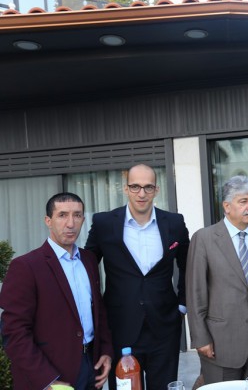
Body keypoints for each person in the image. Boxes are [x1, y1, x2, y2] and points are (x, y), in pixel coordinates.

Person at [85, 164, 190, 390]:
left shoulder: (174, 223)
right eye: (135, 187)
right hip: (120, 326)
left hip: (164, 326)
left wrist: (183, 305)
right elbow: (87, 267)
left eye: (148, 187)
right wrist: (96, 311)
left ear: (156, 190)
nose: (141, 193)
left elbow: (188, 265)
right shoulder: (104, 223)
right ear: (125, 188)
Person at [0, 192, 113, 390]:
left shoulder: (89, 260)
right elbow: (14, 332)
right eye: (62, 215)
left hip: (91, 366)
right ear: (48, 221)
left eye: (77, 215)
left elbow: (98, 311)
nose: (70, 223)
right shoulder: (25, 266)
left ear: (83, 220)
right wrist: (46, 380)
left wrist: (105, 350)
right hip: (51, 373)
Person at [186, 175, 248, 384]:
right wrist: (201, 338)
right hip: (220, 345)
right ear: (226, 206)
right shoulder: (204, 239)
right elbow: (195, 293)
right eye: (243, 201)